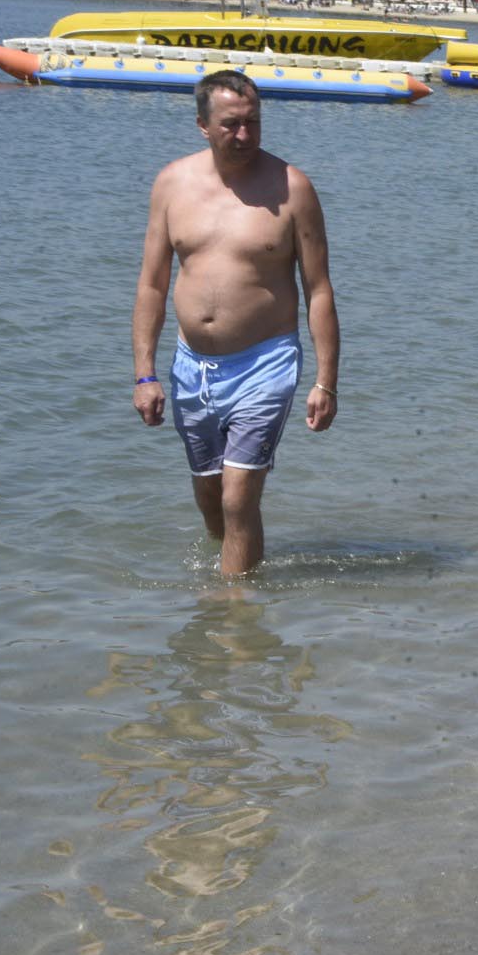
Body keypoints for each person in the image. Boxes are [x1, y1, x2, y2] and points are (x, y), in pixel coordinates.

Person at [132, 70, 340, 576]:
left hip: (265, 362)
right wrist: (145, 374)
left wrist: (326, 382)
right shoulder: (172, 184)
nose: (244, 135)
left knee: (238, 496)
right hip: (192, 367)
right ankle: (238, 566)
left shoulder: (292, 189)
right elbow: (152, 285)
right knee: (210, 493)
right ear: (203, 125)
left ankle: (235, 614)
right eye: (231, 125)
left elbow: (318, 289)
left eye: (253, 123)